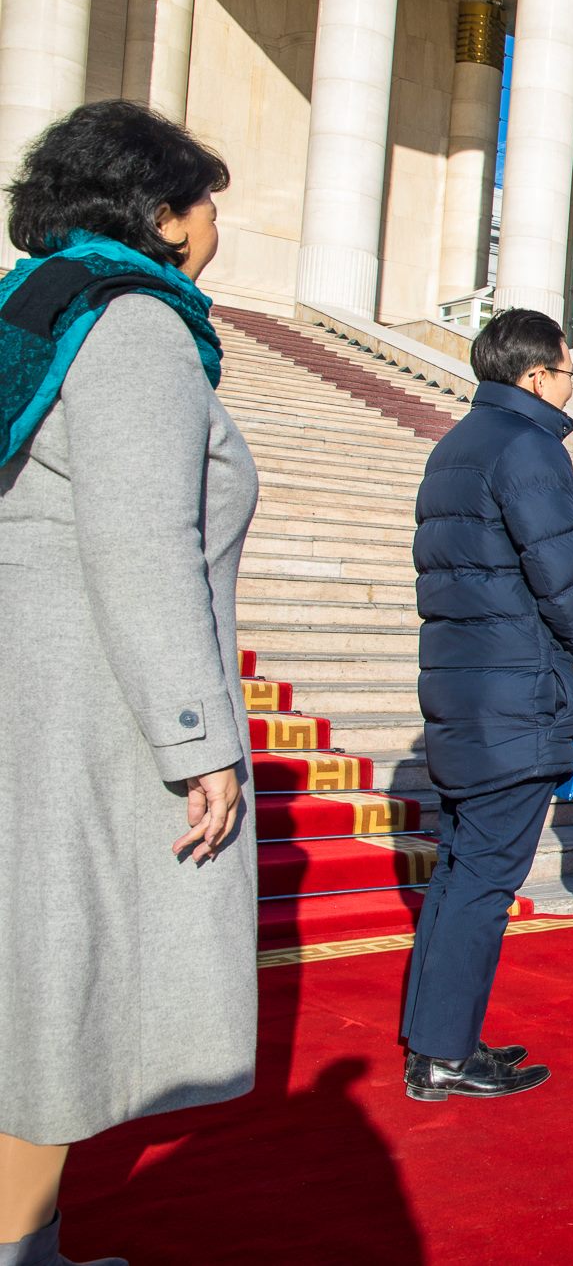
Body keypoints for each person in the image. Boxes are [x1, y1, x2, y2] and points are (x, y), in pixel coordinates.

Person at [0, 100, 249, 1265]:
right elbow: (144, 542)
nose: (211, 230)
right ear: (160, 214)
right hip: (88, 702)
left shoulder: (33, 306)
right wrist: (196, 738)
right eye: (203, 206)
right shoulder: (137, 324)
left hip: (34, 680)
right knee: (54, 985)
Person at [401, 308, 573, 1100]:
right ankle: (447, 1056)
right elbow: (562, 575)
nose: (569, 388)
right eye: (567, 372)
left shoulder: (455, 445)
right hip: (516, 699)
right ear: (535, 375)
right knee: (484, 881)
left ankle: (435, 1043)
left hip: (464, 692)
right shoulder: (530, 448)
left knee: (459, 873)